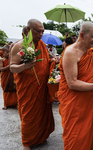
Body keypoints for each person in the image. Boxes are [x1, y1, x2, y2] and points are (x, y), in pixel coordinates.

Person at [57, 21, 93, 150]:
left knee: (87, 135)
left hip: (88, 101)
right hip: (74, 104)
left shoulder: (89, 51)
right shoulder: (71, 52)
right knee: (75, 137)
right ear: (82, 35)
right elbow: (72, 83)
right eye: (92, 36)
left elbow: (89, 74)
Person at [10, 19, 55, 150]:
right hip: (28, 89)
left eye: (42, 31)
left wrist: (53, 60)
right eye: (38, 31)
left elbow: (44, 62)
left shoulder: (42, 44)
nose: (41, 34)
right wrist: (25, 66)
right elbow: (12, 68)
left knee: (42, 114)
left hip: (42, 88)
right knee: (29, 115)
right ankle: (27, 142)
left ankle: (40, 137)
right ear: (29, 30)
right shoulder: (19, 46)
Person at [0, 45, 18, 110]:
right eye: (7, 52)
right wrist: (9, 66)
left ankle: (14, 103)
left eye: (10, 52)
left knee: (13, 88)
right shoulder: (2, 60)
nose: (9, 54)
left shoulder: (12, 59)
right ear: (3, 52)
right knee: (5, 89)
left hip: (11, 75)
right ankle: (6, 104)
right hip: (4, 76)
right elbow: (1, 69)